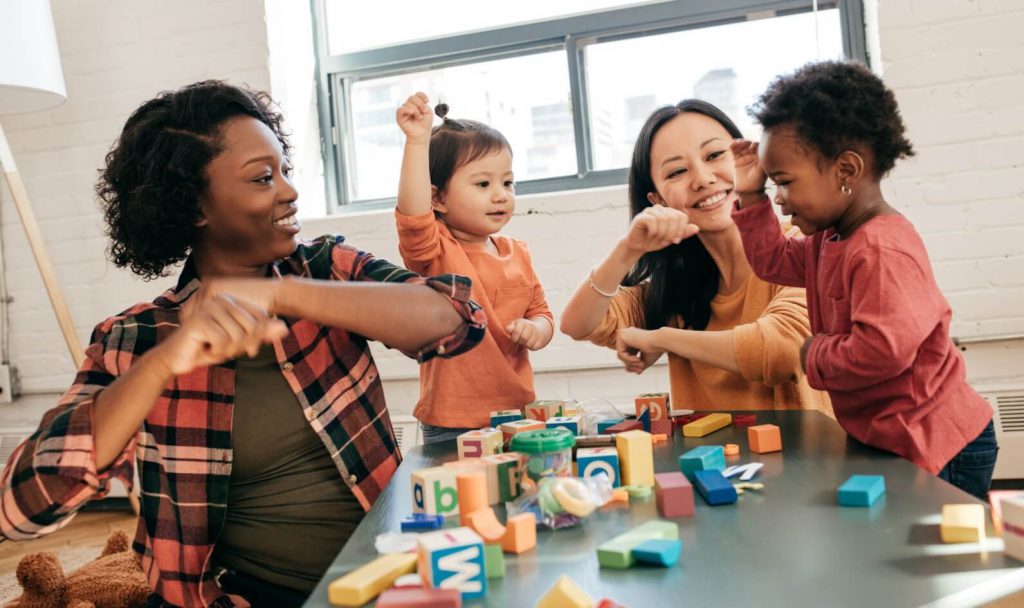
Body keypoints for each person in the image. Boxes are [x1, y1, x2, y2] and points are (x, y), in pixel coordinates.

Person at [0, 80, 486, 608]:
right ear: (194, 207)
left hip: (389, 576)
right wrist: (161, 365)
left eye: (284, 170)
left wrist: (281, 294)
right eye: (262, 178)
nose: (289, 190)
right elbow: (20, 509)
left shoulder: (322, 272)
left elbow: (455, 318)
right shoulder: (136, 338)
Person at [730, 60, 996, 499]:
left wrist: (812, 352)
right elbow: (773, 260)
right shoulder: (829, 238)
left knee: (938, 554)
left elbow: (881, 351)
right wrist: (749, 193)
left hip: (937, 443)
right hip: (894, 437)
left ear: (845, 171)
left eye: (784, 182)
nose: (778, 197)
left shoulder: (880, 249)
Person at [561, 99, 829, 413]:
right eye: (677, 171)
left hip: (808, 460)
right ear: (658, 199)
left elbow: (784, 349)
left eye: (715, 155)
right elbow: (577, 324)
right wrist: (627, 250)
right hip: (710, 463)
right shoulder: (675, 287)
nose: (702, 179)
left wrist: (662, 339)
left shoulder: (802, 247)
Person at [394, 93, 554, 443]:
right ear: (437, 199)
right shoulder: (435, 251)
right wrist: (417, 142)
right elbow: (413, 216)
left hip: (517, 414)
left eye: (507, 183)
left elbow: (542, 313)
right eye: (483, 184)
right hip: (452, 422)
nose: (500, 195)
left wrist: (536, 329)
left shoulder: (519, 254)